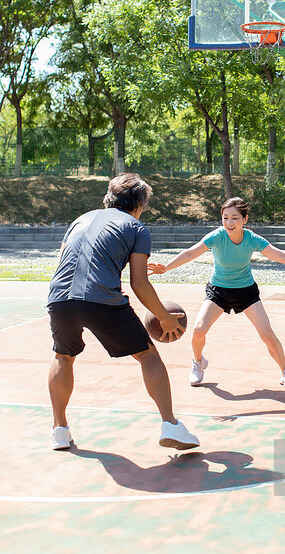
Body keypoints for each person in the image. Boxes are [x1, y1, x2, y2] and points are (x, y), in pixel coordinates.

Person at [47, 173, 199, 452]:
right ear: (139, 205)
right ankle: (170, 424)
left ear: (108, 198)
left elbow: (61, 264)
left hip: (59, 299)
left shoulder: (79, 220)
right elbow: (139, 282)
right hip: (101, 299)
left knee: (63, 356)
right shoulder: (136, 227)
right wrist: (164, 318)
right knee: (147, 355)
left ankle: (59, 430)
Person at [148, 197, 285, 390]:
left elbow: (281, 255)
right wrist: (166, 267)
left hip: (246, 291)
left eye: (235, 218)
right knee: (198, 331)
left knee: (267, 334)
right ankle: (198, 362)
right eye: (225, 217)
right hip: (218, 291)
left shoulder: (251, 239)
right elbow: (190, 253)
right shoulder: (216, 236)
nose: (229, 223)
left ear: (245, 219)